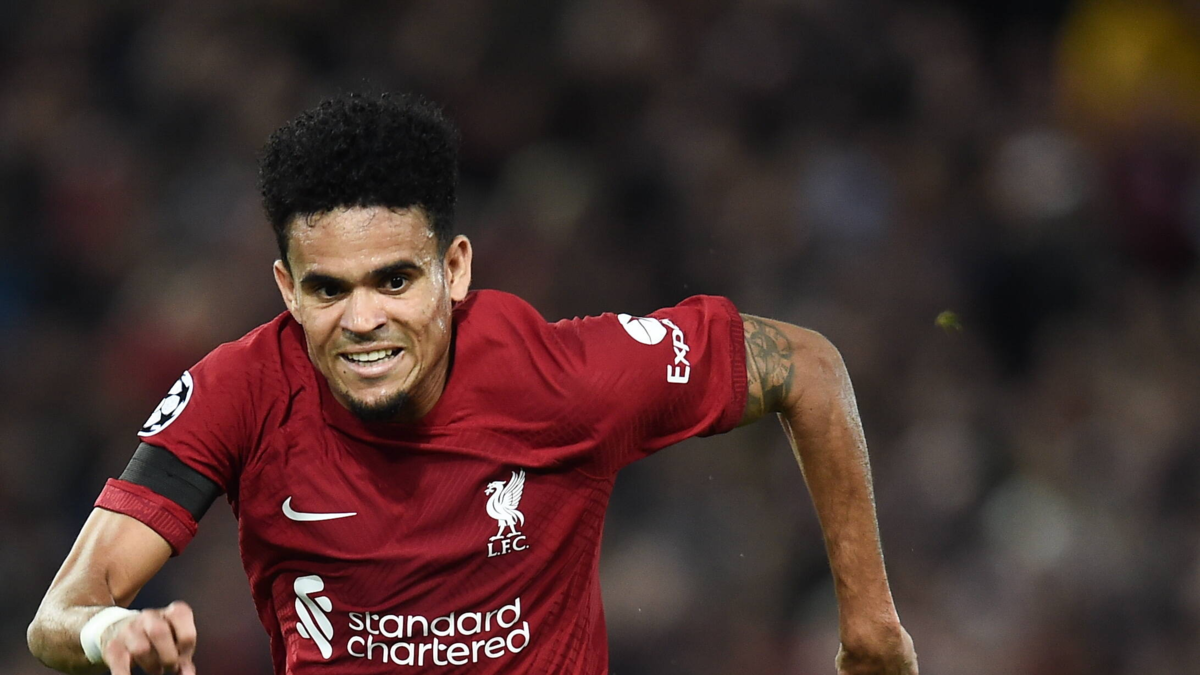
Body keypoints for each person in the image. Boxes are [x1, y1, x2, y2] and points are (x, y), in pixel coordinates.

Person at [27, 93, 917, 675]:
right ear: (287, 289)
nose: (363, 319)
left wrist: (871, 628)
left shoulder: (561, 378)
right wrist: (113, 632)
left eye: (394, 280)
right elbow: (60, 612)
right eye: (329, 290)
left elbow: (806, 366)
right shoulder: (241, 391)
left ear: (453, 269)